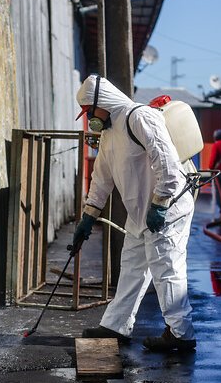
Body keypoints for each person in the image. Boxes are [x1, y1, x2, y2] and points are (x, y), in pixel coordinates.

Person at [72, 75, 196, 352]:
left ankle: (181, 334)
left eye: (90, 111)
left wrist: (160, 203)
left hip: (167, 209)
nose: (90, 117)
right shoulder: (108, 133)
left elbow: (167, 163)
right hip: (140, 213)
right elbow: (101, 178)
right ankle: (116, 325)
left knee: (167, 269)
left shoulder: (140, 117)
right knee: (131, 267)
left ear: (102, 102)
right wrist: (89, 215)